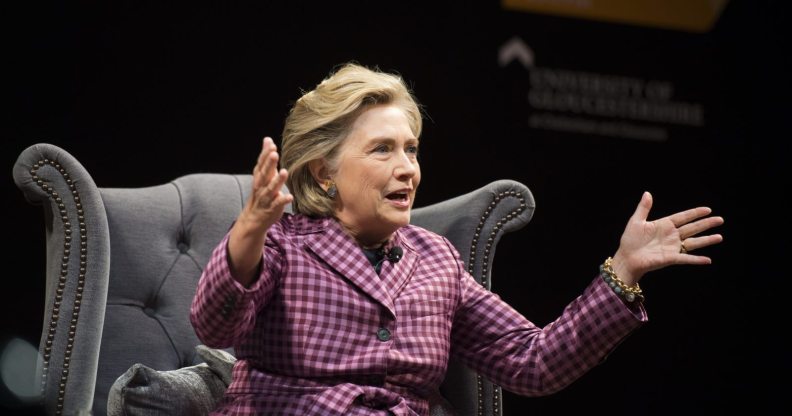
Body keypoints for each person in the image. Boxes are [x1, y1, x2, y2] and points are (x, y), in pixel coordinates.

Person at [190, 63, 724, 415]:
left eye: (412, 149)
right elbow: (215, 323)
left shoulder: (434, 260)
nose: (407, 170)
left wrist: (623, 271)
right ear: (324, 172)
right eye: (382, 150)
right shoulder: (283, 245)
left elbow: (532, 363)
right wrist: (250, 229)